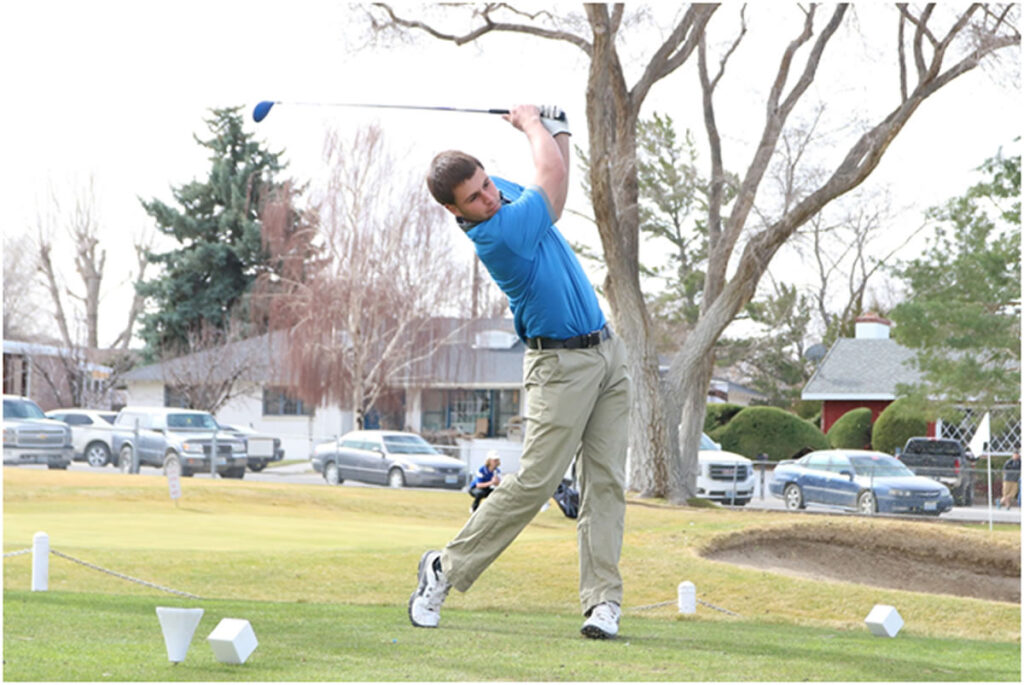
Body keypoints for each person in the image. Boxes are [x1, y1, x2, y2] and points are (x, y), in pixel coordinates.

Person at [408, 104, 630, 640]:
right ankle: (445, 569)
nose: (489, 197)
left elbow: (553, 192)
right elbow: (548, 183)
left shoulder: (502, 195)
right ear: (453, 210)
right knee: (536, 481)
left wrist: (559, 131)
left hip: (606, 352)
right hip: (559, 366)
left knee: (606, 483)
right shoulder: (498, 235)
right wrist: (532, 123)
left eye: (486, 184)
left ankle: (602, 603)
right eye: (475, 198)